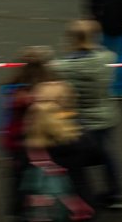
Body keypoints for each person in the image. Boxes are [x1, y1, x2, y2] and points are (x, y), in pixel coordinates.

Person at [52, 20, 122, 210]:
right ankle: (117, 193)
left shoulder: (62, 67)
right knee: (106, 155)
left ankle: (83, 200)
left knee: (76, 162)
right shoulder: (107, 58)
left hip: (82, 121)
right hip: (107, 117)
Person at [0, 46, 58, 220]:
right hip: (45, 143)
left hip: (17, 145)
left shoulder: (9, 88)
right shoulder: (53, 86)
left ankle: (18, 212)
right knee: (45, 181)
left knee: (17, 181)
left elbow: (2, 120)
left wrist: (3, 151)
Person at [21, 81, 95, 221]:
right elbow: (96, 154)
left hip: (42, 204)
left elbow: (20, 174)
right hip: (77, 201)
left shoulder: (31, 134)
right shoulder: (76, 135)